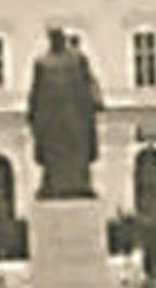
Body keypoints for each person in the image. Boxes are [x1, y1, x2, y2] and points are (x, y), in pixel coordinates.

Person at [26, 26, 103, 199]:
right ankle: (53, 184)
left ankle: (80, 183)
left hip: (75, 114)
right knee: (53, 153)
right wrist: (32, 112)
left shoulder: (77, 59)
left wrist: (95, 99)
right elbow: (36, 90)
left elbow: (89, 80)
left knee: (77, 151)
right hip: (52, 118)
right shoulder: (43, 63)